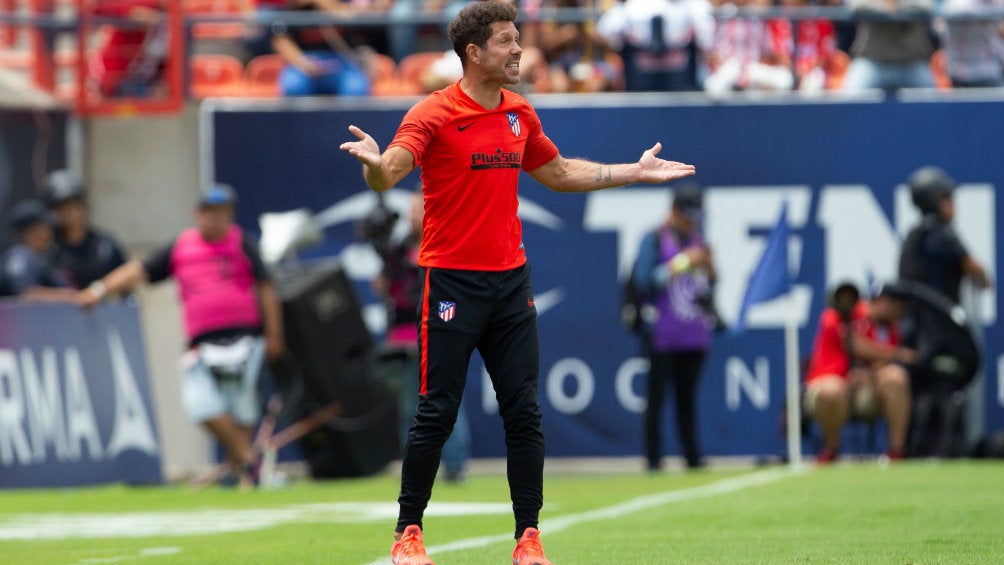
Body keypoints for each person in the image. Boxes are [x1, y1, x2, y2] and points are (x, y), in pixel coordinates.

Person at [338, 3, 695, 564]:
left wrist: (633, 171)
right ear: (474, 53)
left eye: (518, 39)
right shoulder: (433, 112)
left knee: (523, 411)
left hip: (509, 284)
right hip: (451, 282)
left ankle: (528, 538)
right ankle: (409, 534)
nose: (518, 50)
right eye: (506, 41)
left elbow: (557, 174)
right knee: (436, 410)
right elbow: (391, 171)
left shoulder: (519, 113)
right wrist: (373, 165)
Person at [77, 184, 286, 488]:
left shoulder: (242, 243)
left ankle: (244, 476)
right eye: (210, 212)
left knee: (242, 412)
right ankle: (248, 461)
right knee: (202, 405)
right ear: (197, 214)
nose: (217, 220)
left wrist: (274, 334)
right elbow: (139, 270)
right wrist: (99, 290)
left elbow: (266, 288)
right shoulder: (182, 246)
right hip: (201, 344)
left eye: (224, 213)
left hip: (245, 338)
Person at [372, 190, 471, 483]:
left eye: (422, 208)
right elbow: (390, 290)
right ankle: (415, 466)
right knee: (408, 406)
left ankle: (455, 465)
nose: (416, 214)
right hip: (404, 337)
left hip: (441, 333)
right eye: (413, 208)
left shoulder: (448, 246)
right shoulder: (397, 251)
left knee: (446, 401)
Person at [629, 182, 715, 471]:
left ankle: (693, 457)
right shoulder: (653, 239)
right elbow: (644, 281)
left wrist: (711, 269)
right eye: (688, 214)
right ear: (675, 210)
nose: (692, 221)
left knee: (687, 398)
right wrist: (681, 263)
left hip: (694, 333)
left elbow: (707, 285)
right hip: (663, 334)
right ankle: (653, 460)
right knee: (657, 399)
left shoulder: (698, 238)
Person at [803, 282, 916, 464]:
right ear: (885, 303)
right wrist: (898, 354)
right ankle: (831, 448)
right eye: (898, 308)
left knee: (896, 376)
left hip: (865, 392)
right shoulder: (837, 315)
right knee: (832, 391)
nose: (900, 314)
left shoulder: (889, 327)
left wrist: (870, 374)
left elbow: (883, 360)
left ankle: (896, 452)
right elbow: (855, 344)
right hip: (829, 385)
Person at [899, 166, 992, 303]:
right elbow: (978, 273)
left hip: (916, 319)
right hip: (940, 321)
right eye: (946, 196)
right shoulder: (943, 235)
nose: (952, 203)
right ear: (933, 199)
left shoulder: (913, 235)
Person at [44, 169, 129, 290]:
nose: (70, 214)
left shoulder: (105, 246)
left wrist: (100, 291)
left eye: (74, 206)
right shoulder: (47, 249)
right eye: (62, 208)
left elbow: (126, 287)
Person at [840, 0, 936, 91]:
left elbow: (926, 6)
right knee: (849, 98)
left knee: (933, 102)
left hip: (911, 62)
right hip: (872, 61)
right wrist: (885, 5)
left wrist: (896, 5)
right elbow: (856, 6)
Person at [0, 199, 77, 302]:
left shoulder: (39, 257)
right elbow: (26, 294)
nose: (50, 233)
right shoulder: (20, 256)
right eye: (46, 227)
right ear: (34, 231)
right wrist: (70, 297)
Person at [939, 0, 1004, 88]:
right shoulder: (956, 4)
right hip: (961, 73)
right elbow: (953, 11)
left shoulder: (996, 3)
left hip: (990, 71)